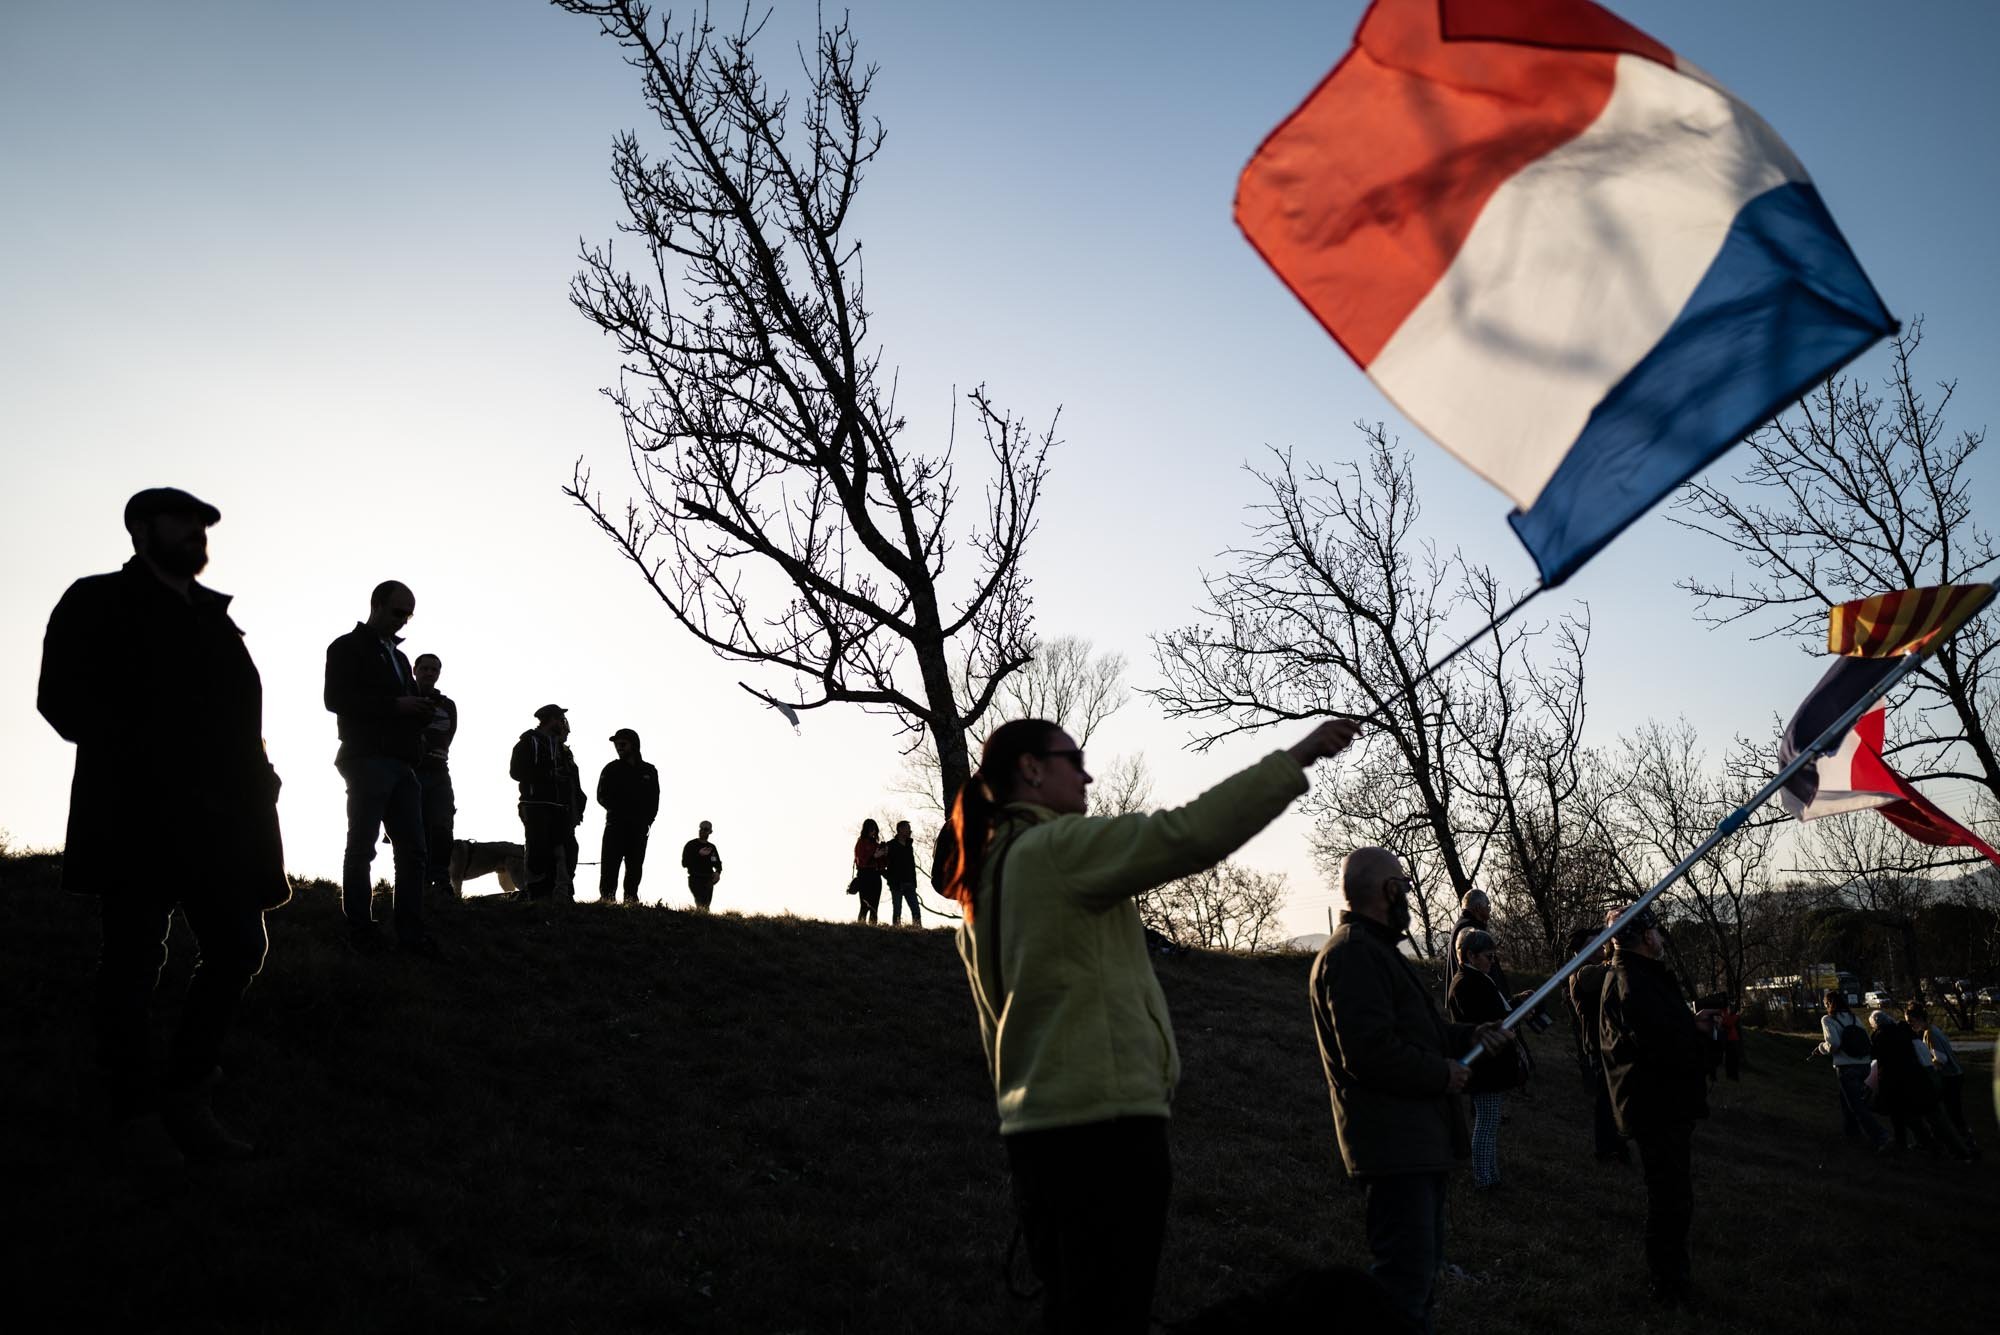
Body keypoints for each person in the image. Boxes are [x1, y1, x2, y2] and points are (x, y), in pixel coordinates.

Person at [950, 715, 1360, 1335]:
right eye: (1073, 758)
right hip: (1105, 1132)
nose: (1087, 774)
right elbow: (1186, 835)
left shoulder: (982, 886)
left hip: (1036, 1137)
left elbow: (994, 1033)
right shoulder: (1056, 850)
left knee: (1080, 1313)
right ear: (1031, 769)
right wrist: (1296, 757)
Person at [38, 487, 289, 1169]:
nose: (198, 533)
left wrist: (261, 777)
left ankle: (186, 1091)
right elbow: (60, 701)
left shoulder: (216, 619)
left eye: (203, 525)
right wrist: (150, 753)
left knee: (238, 946)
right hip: (136, 815)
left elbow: (242, 719)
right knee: (133, 960)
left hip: (225, 823)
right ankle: (132, 1110)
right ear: (141, 528)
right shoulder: (94, 599)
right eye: (183, 522)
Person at [1310, 847, 1512, 1334]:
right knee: (1402, 1293)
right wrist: (1441, 1074)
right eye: (1403, 884)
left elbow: (1420, 1033)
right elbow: (1369, 1052)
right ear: (1388, 891)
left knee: (1417, 1285)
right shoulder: (1354, 954)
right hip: (1393, 1147)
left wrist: (1470, 1035)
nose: (1408, 893)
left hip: (1416, 1144)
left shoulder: (1376, 952)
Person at [1599, 905, 1712, 1307]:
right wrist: (1695, 1039)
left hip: (1658, 1103)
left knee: (1671, 1195)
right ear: (1646, 937)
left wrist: (1691, 1025)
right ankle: (1669, 1287)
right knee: (1669, 1199)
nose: (1662, 937)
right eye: (1658, 931)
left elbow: (1661, 1031)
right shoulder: (1633, 980)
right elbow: (1658, 1044)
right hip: (1656, 1106)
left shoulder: (1639, 977)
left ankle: (1671, 1279)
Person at [324, 580, 439, 955]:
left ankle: (410, 931)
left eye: (408, 615)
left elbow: (398, 706)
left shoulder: (401, 658)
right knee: (363, 846)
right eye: (397, 612)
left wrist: (417, 713)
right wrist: (398, 706)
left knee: (414, 852)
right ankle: (360, 927)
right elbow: (336, 699)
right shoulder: (346, 647)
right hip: (367, 758)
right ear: (376, 605)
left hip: (402, 762)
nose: (404, 621)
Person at [1445, 928, 1515, 1190]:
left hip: (1487, 1063)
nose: (1492, 961)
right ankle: (1485, 1179)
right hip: (1483, 1065)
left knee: (1490, 1120)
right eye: (1488, 956)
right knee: (1486, 1123)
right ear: (1471, 956)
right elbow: (1489, 1018)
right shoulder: (1467, 983)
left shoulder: (1477, 980)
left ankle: (1490, 1175)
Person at [1564, 914, 1627, 1164]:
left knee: (1612, 1098)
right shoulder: (1582, 973)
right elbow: (1608, 971)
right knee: (1606, 1099)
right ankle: (1606, 1148)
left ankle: (1615, 1145)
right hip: (1598, 1045)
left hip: (1604, 1042)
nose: (1602, 947)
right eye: (1596, 944)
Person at [1867, 1010, 1969, 1159]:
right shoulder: (1907, 1032)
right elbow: (1923, 1055)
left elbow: (1880, 1064)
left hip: (1900, 1086)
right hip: (1921, 1080)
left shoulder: (1880, 1038)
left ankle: (1931, 1147)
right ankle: (1960, 1151)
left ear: (1875, 1026)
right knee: (1936, 1119)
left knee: (1912, 1120)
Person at [511, 705, 586, 902]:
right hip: (535, 805)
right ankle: (536, 892)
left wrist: (578, 803)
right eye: (560, 718)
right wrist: (548, 774)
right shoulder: (529, 742)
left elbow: (572, 780)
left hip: (561, 808)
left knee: (567, 850)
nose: (563, 723)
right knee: (538, 848)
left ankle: (562, 892)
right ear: (550, 719)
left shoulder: (562, 749)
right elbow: (516, 772)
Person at [1812, 990, 1890, 1151]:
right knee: (1846, 1100)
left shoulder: (1828, 1019)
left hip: (1847, 1067)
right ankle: (1851, 1133)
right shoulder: (1854, 1018)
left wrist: (1821, 1048)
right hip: (1864, 1065)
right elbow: (1866, 1041)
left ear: (1827, 1004)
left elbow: (1834, 1043)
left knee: (1857, 1105)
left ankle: (1881, 1137)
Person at [411, 653, 458, 902]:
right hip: (411, 770)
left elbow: (449, 735)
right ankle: (414, 880)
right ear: (415, 669)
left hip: (440, 770)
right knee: (412, 827)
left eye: (434, 669)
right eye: (426, 668)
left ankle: (440, 879)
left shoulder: (447, 705)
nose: (430, 673)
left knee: (442, 826)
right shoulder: (406, 697)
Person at [596, 728, 660, 905]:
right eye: (616, 745)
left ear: (634, 745)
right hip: (615, 825)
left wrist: (647, 821)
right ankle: (607, 898)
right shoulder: (611, 769)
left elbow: (655, 799)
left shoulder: (650, 771)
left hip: (639, 828)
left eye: (622, 744)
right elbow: (601, 796)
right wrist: (618, 810)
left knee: (635, 865)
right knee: (610, 863)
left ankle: (631, 898)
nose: (618, 748)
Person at [1909, 1003, 1977, 1152]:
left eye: (1911, 1021)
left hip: (1950, 1077)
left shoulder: (1929, 1034)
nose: (1911, 1025)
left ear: (1919, 1018)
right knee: (1951, 1112)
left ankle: (1965, 1142)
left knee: (1951, 1112)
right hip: (1955, 1075)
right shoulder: (1934, 1030)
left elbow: (1941, 1059)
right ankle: (1961, 1140)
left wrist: (1928, 1066)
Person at [1449, 889, 1511, 994]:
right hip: (1479, 995)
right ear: (1478, 907)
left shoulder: (1463, 925)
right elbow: (1478, 966)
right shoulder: (1470, 930)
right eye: (1487, 905)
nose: (1489, 909)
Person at [884, 820, 921, 926]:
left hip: (910, 883)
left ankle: (918, 931)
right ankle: (896, 931)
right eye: (907, 828)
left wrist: (914, 882)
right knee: (897, 911)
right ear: (900, 829)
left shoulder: (909, 846)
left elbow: (911, 865)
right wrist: (889, 878)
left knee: (916, 910)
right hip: (896, 884)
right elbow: (882, 863)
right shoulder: (890, 845)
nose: (910, 831)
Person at [851, 818, 887, 924]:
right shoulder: (861, 842)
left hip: (876, 876)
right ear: (866, 830)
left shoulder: (876, 844)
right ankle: (861, 927)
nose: (873, 832)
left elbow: (883, 864)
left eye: (875, 829)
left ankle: (873, 928)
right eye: (871, 829)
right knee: (864, 905)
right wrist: (875, 856)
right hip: (864, 875)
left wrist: (884, 854)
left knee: (874, 906)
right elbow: (861, 860)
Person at [681, 820, 722, 911]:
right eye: (701, 828)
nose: (702, 831)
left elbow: (717, 863)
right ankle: (699, 919)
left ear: (709, 832)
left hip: (708, 879)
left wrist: (718, 872)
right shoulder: (691, 845)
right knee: (700, 903)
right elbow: (684, 863)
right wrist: (698, 854)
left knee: (706, 905)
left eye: (705, 829)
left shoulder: (711, 847)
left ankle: (704, 920)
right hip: (695, 878)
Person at [1717, 1001, 1743, 1082]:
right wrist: (1737, 1015)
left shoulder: (1725, 1014)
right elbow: (1729, 1023)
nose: (1729, 1009)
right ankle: (1732, 1076)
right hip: (1730, 1040)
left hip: (1731, 1040)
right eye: (1728, 1007)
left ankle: (1732, 1075)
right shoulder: (1723, 1013)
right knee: (1733, 1059)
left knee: (1732, 1059)